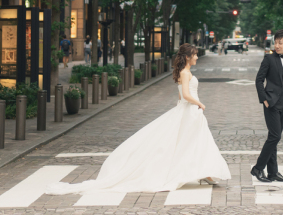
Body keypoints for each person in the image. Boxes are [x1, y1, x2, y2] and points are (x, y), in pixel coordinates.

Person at [46, 43, 231, 196]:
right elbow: (185, 94)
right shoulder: (184, 72)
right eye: (195, 55)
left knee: (196, 141)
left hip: (190, 111)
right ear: (188, 56)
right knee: (189, 142)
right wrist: (200, 103)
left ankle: (205, 172)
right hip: (190, 110)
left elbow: (181, 96)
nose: (197, 57)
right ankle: (200, 172)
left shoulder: (185, 71)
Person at [251, 29, 283, 183]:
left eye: (280, 43)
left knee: (274, 137)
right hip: (271, 103)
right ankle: (258, 168)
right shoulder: (269, 59)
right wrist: (264, 99)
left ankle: (273, 173)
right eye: (275, 42)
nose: (277, 45)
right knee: (275, 136)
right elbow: (258, 80)